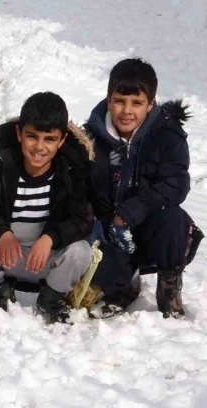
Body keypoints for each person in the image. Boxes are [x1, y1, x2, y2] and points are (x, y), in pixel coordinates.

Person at [0, 92, 93, 323]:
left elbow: (82, 219)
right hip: (8, 257)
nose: (39, 147)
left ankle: (51, 295)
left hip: (46, 259)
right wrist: (3, 234)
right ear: (19, 134)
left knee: (81, 251)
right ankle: (0, 290)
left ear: (61, 140)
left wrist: (50, 239)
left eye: (49, 139)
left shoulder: (69, 175)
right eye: (32, 136)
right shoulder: (5, 169)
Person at [85, 58, 201, 318]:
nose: (127, 111)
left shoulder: (167, 134)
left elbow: (176, 183)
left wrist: (130, 213)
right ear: (108, 99)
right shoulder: (89, 138)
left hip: (146, 223)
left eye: (136, 103)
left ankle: (169, 288)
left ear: (150, 104)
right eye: (119, 101)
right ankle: (125, 283)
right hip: (107, 229)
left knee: (174, 218)